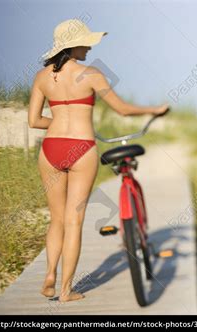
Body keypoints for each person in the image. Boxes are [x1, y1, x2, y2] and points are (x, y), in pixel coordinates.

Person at [28, 19, 169, 302]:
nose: (90, 47)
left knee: (56, 219)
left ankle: (50, 275)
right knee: (74, 220)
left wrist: (59, 123)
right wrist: (154, 109)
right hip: (81, 148)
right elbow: (123, 109)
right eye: (86, 42)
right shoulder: (90, 74)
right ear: (74, 45)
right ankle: (66, 290)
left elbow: (33, 121)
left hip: (51, 148)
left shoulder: (42, 77)